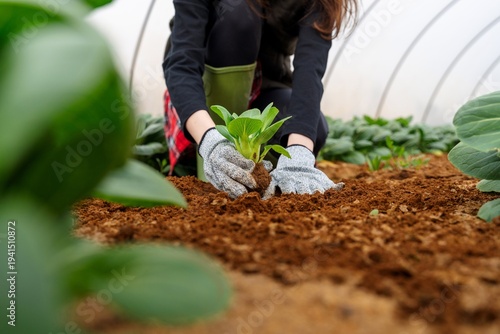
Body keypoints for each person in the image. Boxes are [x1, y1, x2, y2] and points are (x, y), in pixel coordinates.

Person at [163, 0, 358, 199]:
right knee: (239, 12)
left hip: (265, 86)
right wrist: (210, 142)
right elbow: (181, 66)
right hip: (200, 99)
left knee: (313, 128)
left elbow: (309, 72)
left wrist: (299, 155)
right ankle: (210, 160)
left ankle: (257, 173)